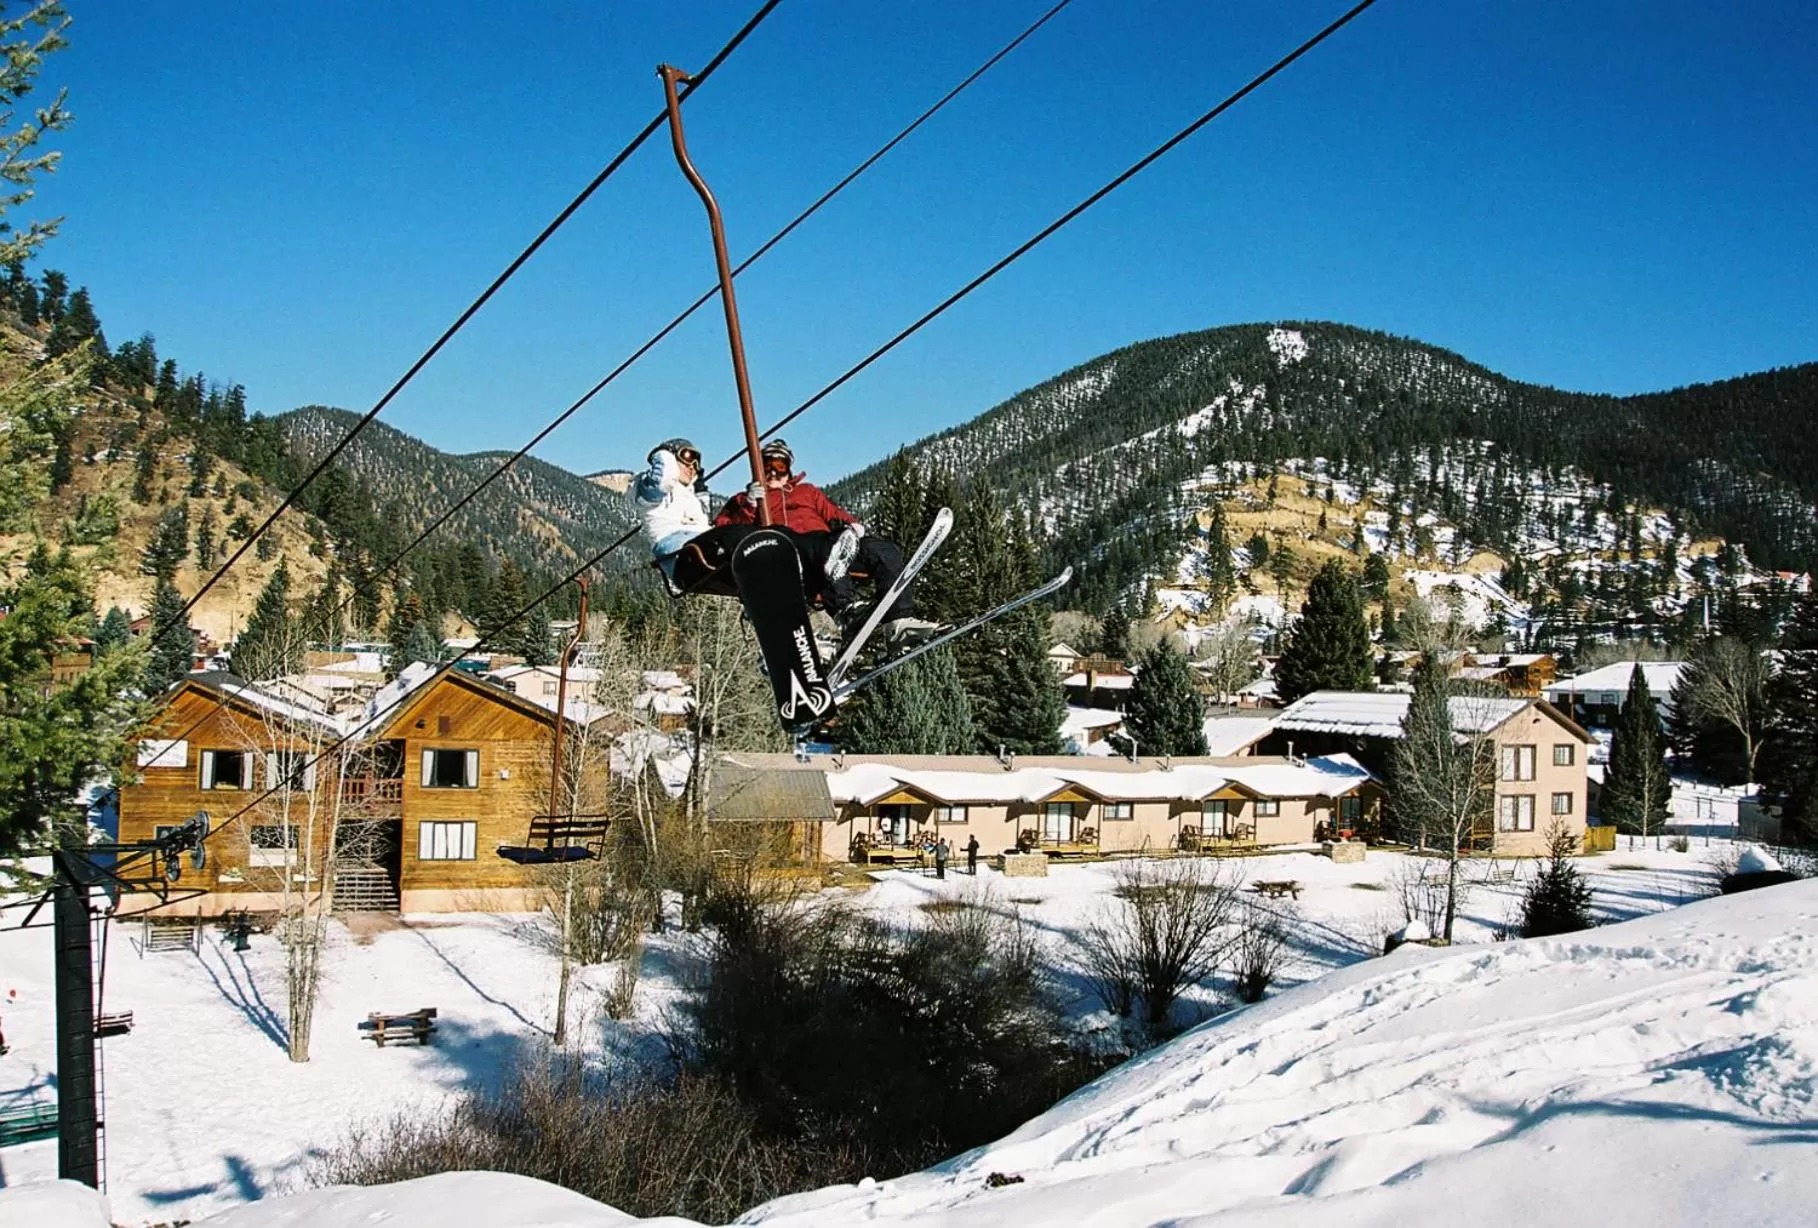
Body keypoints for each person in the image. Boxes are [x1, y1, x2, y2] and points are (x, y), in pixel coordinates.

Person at [634, 436, 937, 644]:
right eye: (768, 466)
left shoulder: (809, 494)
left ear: (790, 469)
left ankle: (898, 619)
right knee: (792, 542)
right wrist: (750, 505)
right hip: (788, 555)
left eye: (781, 467)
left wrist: (854, 528)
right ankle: (842, 606)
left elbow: (839, 515)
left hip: (828, 548)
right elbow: (722, 532)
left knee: (882, 550)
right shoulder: (745, 499)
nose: (774, 473)